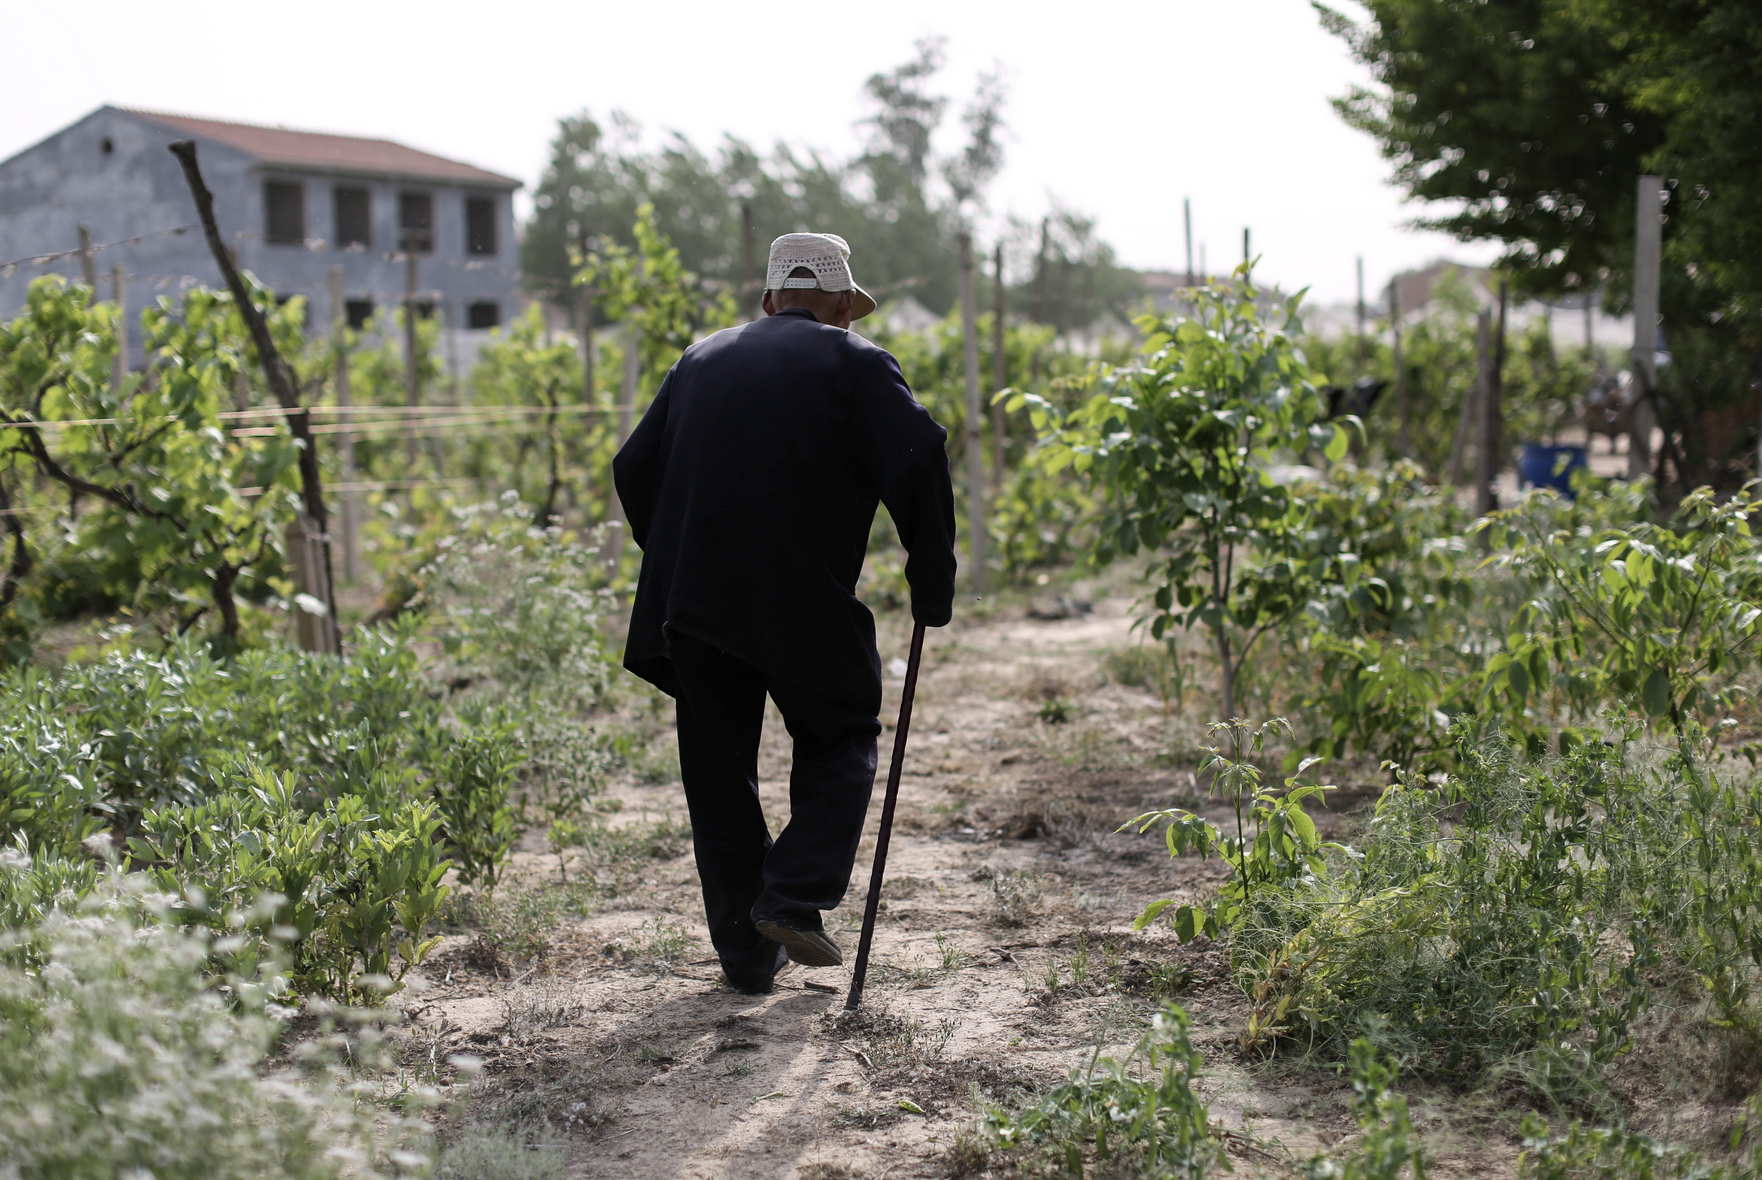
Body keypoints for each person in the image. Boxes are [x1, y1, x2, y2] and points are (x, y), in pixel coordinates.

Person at [612, 232, 957, 994]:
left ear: (769, 300)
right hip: (803, 597)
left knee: (718, 768)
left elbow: (633, 468)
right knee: (841, 733)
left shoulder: (699, 359)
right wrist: (932, 579)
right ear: (843, 306)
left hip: (693, 603)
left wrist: (679, 554)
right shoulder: (854, 361)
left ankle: (745, 957)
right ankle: (794, 896)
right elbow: (919, 455)